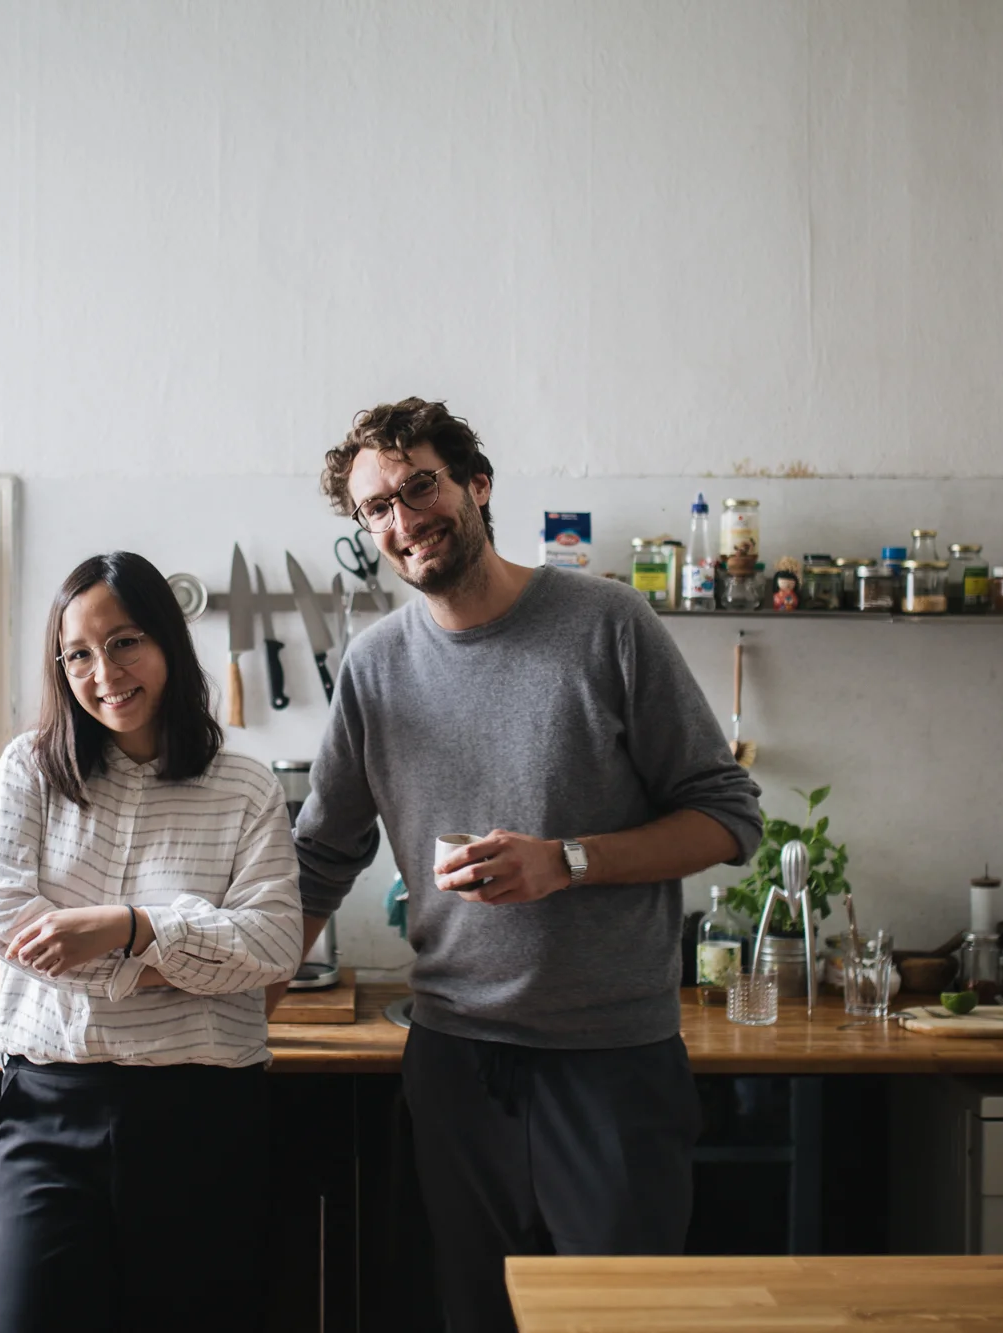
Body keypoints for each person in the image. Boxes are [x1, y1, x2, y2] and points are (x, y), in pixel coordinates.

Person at [285, 398, 763, 1333]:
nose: (402, 519)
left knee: (620, 1323)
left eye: (419, 485)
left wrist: (568, 861)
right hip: (456, 1065)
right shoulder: (375, 668)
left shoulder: (606, 624)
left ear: (477, 484)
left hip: (612, 1066)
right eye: (375, 507)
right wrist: (232, 1008)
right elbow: (321, 856)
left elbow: (728, 816)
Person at [0, 550, 304, 1333]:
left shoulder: (245, 786)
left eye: (124, 642)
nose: (104, 671)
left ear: (166, 642)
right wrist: (184, 964)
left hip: (203, 1114)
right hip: (48, 1109)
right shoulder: (30, 769)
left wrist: (132, 927)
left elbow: (274, 944)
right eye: (78, 653)